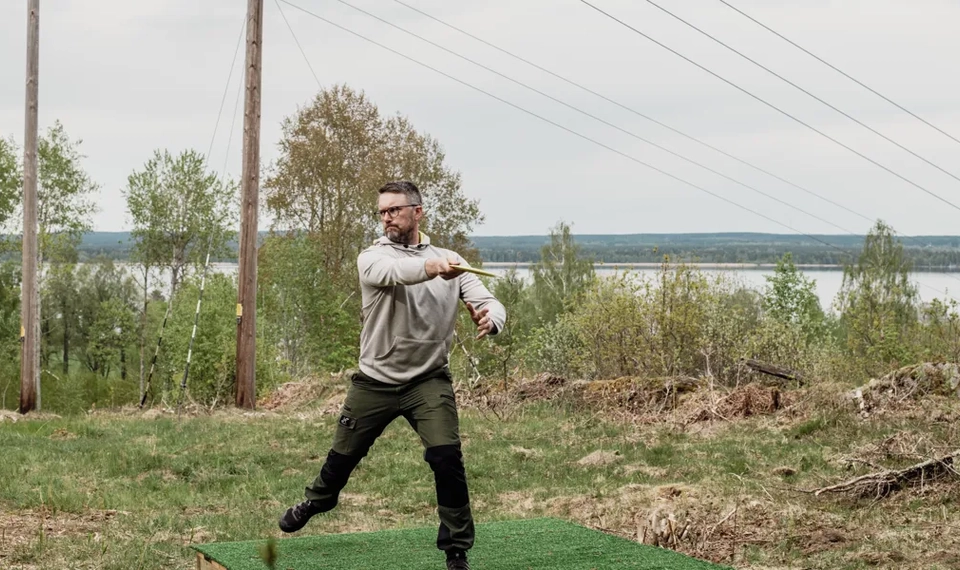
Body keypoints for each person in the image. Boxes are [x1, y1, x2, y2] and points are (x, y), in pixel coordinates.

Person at [279, 180, 506, 570]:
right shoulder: (372, 257)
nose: (387, 218)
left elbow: (487, 298)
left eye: (394, 210)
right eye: (382, 211)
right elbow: (396, 273)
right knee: (341, 459)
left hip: (428, 380)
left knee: (446, 458)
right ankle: (319, 500)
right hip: (375, 381)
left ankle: (456, 549)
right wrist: (432, 268)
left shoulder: (451, 259)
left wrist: (492, 318)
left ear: (417, 212)